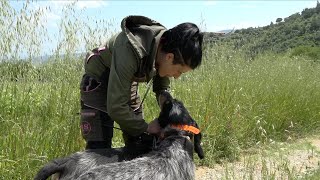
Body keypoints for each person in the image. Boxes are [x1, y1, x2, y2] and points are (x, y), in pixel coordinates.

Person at [79, 15, 203, 157]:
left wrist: (173, 116)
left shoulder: (165, 45)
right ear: (169, 57)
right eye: (179, 71)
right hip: (98, 81)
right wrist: (148, 127)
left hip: (125, 80)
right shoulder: (130, 49)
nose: (176, 76)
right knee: (98, 151)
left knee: (140, 141)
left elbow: (161, 90)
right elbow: (116, 107)